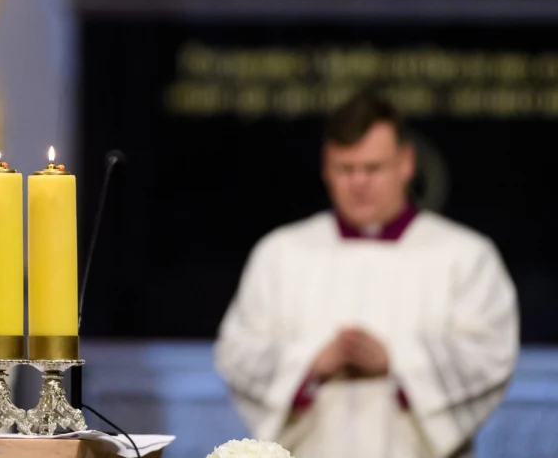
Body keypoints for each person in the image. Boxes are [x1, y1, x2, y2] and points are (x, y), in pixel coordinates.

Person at [215, 91, 518, 458]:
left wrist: (396, 361)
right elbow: (237, 352)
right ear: (326, 168)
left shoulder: (465, 255)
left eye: (373, 168)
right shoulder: (281, 253)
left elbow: (491, 355)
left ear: (406, 163)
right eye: (345, 169)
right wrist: (309, 363)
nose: (359, 183)